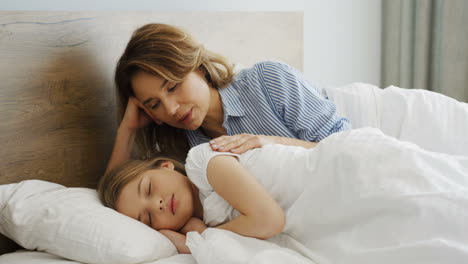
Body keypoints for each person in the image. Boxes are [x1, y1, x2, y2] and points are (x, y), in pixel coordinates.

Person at [98, 128, 468, 259]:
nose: (158, 204)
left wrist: (192, 238)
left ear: (164, 165)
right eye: (149, 217)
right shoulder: (212, 213)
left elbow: (269, 220)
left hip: (350, 174)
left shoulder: (204, 163)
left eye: (149, 190)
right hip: (327, 203)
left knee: (433, 204)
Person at [105, 23, 350, 174]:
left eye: (172, 86)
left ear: (199, 68)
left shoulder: (268, 80)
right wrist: (127, 130)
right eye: (154, 104)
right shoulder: (183, 150)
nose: (171, 109)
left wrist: (270, 143)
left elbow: (348, 150)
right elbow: (118, 197)